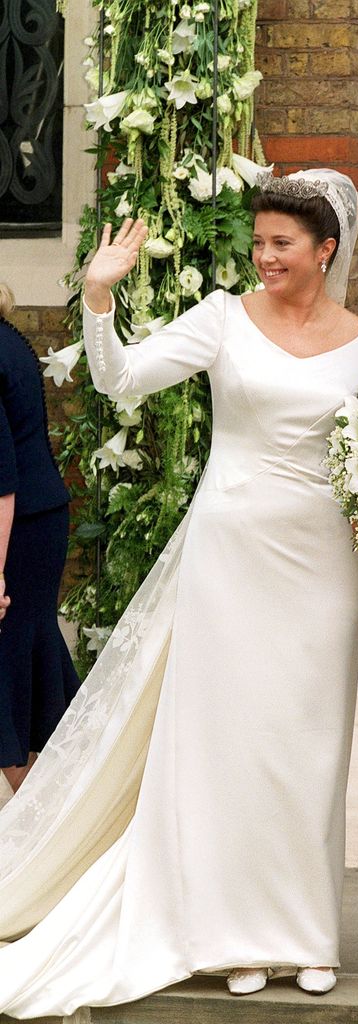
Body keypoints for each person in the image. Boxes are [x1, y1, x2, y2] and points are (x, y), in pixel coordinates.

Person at [0, 169, 358, 1016]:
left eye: (282, 245)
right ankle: (232, 931)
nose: (265, 258)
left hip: (320, 564)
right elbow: (120, 380)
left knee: (307, 748)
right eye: (259, 245)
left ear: (326, 250)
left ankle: (306, 933)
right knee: (231, 744)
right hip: (228, 552)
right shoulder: (223, 318)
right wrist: (99, 301)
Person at [0, 284, 80, 796]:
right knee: (22, 659)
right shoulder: (7, 338)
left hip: (18, 527)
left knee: (10, 662)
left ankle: (44, 814)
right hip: (35, 518)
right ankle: (49, 806)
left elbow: (1, 479)